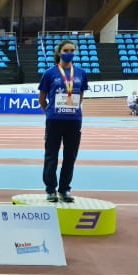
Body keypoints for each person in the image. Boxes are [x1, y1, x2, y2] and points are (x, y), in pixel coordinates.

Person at [38, 39, 87, 203]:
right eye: (66, 50)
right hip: (54, 120)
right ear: (59, 53)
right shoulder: (49, 73)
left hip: (74, 120)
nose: (69, 53)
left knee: (70, 156)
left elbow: (80, 95)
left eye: (72, 50)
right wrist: (49, 112)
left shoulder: (81, 73)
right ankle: (50, 189)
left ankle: (64, 189)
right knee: (51, 155)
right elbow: (42, 98)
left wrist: (72, 109)